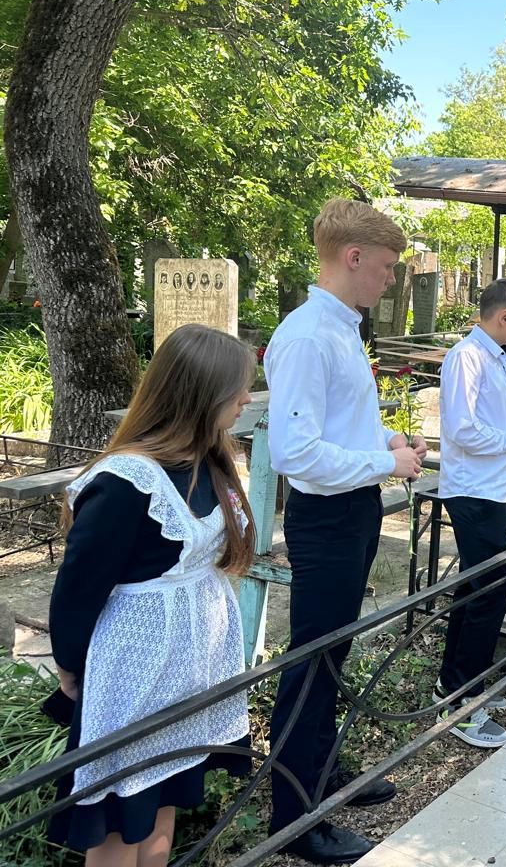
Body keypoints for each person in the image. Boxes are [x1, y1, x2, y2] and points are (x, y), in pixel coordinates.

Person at [47, 324, 256, 867]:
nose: (246, 397)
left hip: (188, 672)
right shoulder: (126, 481)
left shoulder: (207, 460)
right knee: (121, 818)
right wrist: (70, 665)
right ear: (199, 394)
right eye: (236, 387)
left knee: (162, 802)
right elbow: (78, 588)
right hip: (134, 674)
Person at [265, 198, 426, 864]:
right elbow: (294, 454)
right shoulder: (309, 336)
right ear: (353, 257)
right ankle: (292, 818)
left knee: (332, 654)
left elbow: (336, 425)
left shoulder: (339, 328)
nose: (390, 279)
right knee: (313, 661)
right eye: (386, 267)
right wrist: (385, 464)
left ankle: (322, 770)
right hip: (327, 518)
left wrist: (385, 440)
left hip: (352, 509)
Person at [434, 279, 506, 748]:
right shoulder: (468, 357)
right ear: (504, 317)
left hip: (492, 489)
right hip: (475, 492)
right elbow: (461, 429)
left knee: (477, 587)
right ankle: (462, 704)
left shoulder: (494, 356)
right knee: (489, 591)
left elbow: (487, 421)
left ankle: (455, 683)